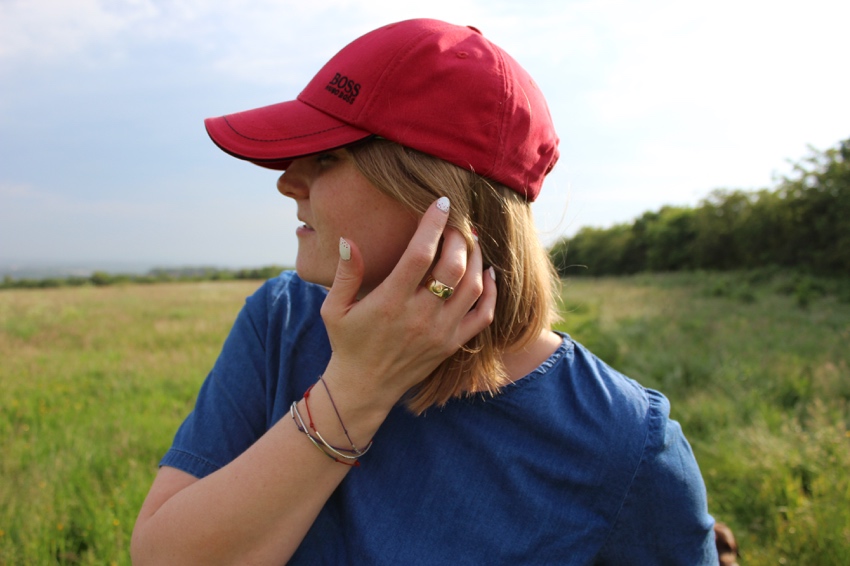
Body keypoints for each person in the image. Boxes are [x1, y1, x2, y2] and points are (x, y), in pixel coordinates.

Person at [131, 18, 718, 564]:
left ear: (439, 198)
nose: (288, 181)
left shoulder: (625, 445)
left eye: (329, 157)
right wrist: (356, 388)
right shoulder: (281, 321)